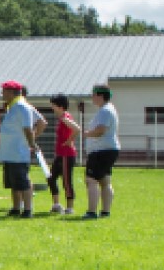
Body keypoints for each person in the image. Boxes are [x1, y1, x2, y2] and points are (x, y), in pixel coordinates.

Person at [0, 80, 43, 217]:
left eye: (4, 91)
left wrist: (31, 142)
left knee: (23, 181)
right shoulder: (13, 106)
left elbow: (29, 128)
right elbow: (42, 122)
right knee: (13, 182)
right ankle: (16, 207)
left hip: (18, 151)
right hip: (10, 152)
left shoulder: (22, 106)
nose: (2, 93)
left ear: (11, 92)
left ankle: (28, 209)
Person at [82, 84, 120, 219]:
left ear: (100, 95)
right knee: (105, 181)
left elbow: (100, 130)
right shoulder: (108, 109)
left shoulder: (105, 111)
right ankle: (105, 211)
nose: (92, 97)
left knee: (91, 180)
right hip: (108, 149)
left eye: (94, 94)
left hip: (101, 150)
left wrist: (86, 134)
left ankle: (91, 212)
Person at [47, 94, 80, 214]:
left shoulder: (65, 117)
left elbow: (77, 128)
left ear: (60, 106)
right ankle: (56, 204)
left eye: (53, 105)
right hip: (60, 154)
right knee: (51, 178)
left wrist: (69, 140)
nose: (52, 107)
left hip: (67, 154)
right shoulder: (61, 118)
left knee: (66, 181)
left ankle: (70, 207)